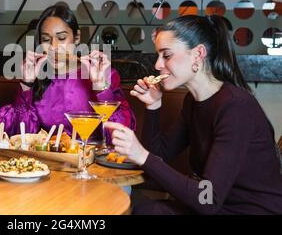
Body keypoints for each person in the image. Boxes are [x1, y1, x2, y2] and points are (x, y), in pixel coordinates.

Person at [106, 14, 282, 215]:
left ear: (198, 53)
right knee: (140, 208)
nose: (157, 65)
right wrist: (153, 105)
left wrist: (141, 155)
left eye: (166, 55)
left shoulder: (235, 107)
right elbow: (158, 157)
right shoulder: (193, 101)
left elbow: (208, 199)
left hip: (249, 211)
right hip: (218, 207)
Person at [0, 5, 135, 143]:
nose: (54, 47)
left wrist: (101, 88)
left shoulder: (104, 74)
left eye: (62, 38)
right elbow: (21, 138)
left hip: (94, 159)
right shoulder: (37, 79)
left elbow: (121, 135)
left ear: (76, 38)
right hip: (50, 160)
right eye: (46, 40)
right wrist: (26, 84)